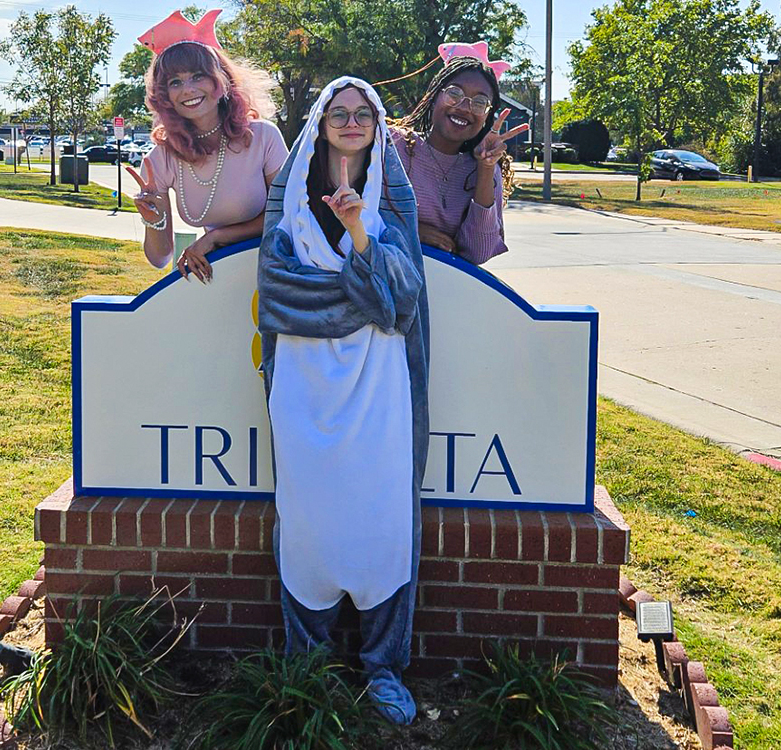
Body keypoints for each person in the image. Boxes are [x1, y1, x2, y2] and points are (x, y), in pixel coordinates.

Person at [257, 77, 430, 725]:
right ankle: (306, 661)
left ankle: (383, 665)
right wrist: (365, 296)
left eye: (363, 114)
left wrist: (361, 235)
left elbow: (403, 305)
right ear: (322, 123)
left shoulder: (391, 200)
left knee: (381, 517)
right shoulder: (295, 200)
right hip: (304, 386)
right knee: (307, 519)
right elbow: (278, 295)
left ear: (378, 125)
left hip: (379, 388)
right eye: (339, 114)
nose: (351, 122)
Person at [127, 9, 288, 282]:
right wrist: (153, 220)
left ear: (221, 80)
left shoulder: (263, 137)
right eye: (175, 82)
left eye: (198, 76)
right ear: (164, 95)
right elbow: (159, 259)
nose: (187, 89)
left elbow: (287, 216)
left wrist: (217, 237)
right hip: (217, 278)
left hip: (277, 272)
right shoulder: (160, 160)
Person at [391, 41, 529, 264]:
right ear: (435, 95)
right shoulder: (394, 146)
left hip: (447, 292)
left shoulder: (485, 170)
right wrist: (412, 229)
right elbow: (357, 216)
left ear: (487, 115)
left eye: (479, 102)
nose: (465, 107)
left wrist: (485, 169)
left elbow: (478, 253)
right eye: (454, 93)